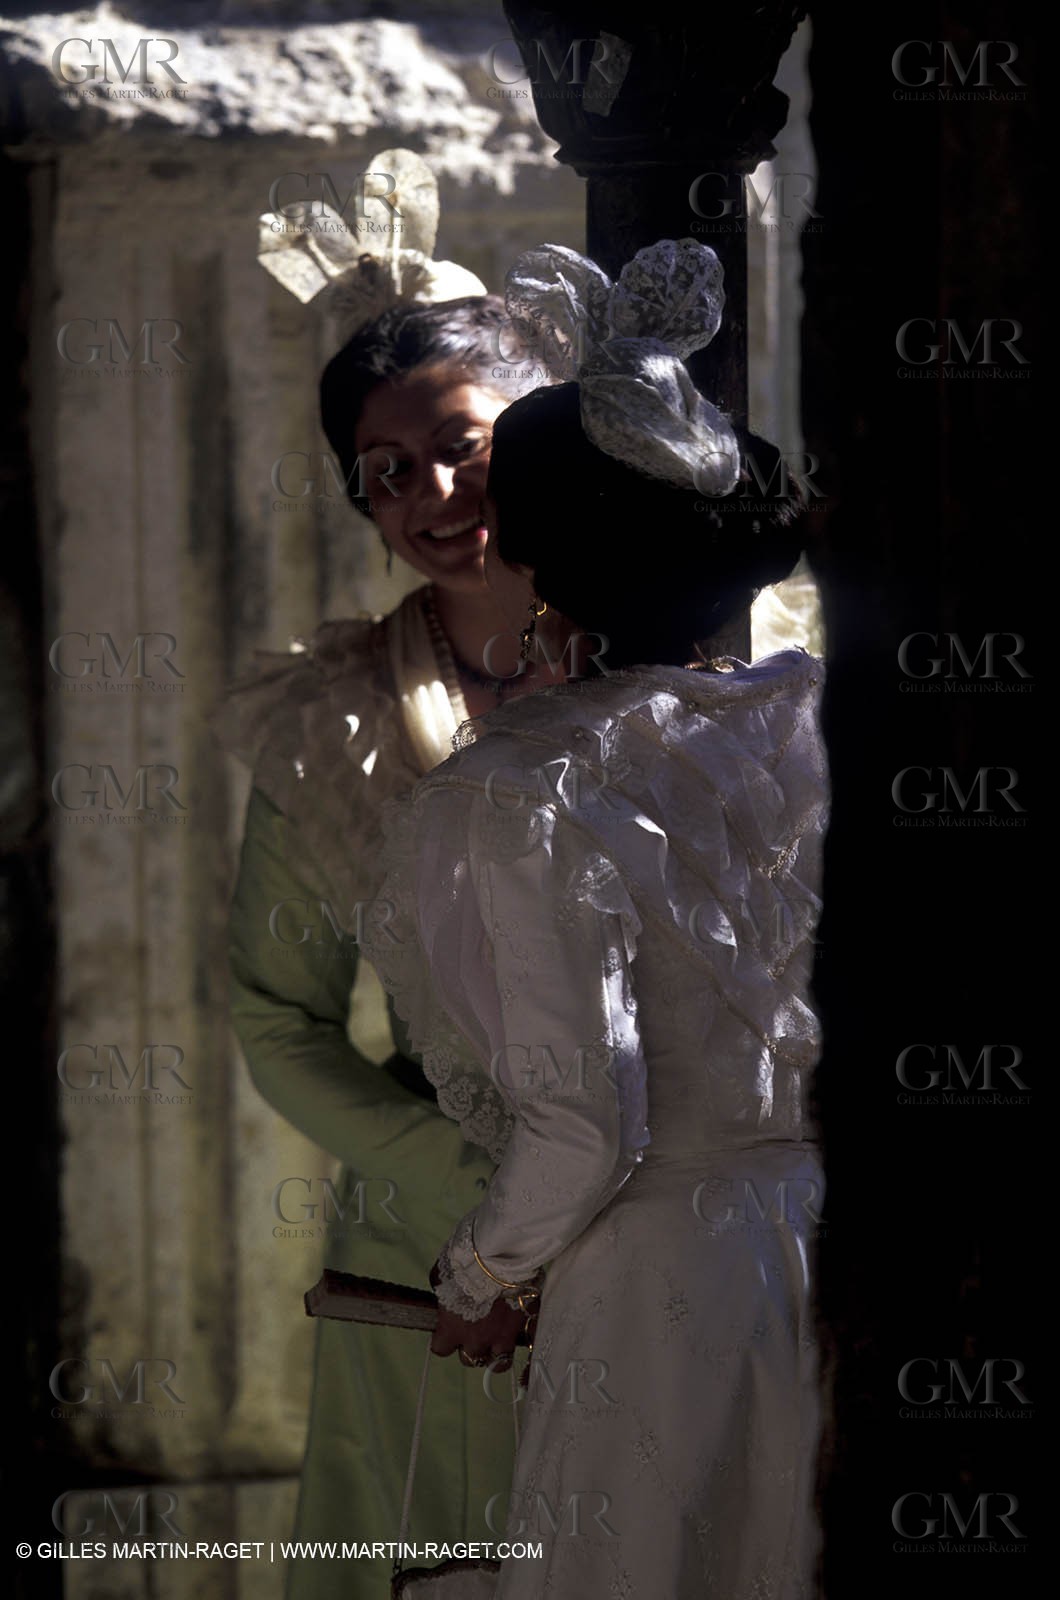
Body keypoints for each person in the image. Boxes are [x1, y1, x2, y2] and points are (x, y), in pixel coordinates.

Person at [363, 240, 828, 1598]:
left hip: (665, 1290)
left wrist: (479, 1279)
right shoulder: (823, 729)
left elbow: (584, 1122)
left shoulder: (530, 786)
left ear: (541, 561)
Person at [217, 286, 550, 1600]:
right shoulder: (336, 725)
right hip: (437, 1263)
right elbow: (275, 1019)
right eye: (389, 472)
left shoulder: (697, 657)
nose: (436, 491)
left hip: (675, 1221)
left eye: (467, 441)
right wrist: (486, 1196)